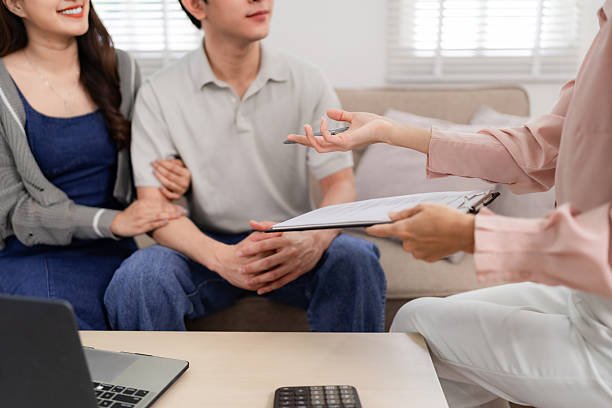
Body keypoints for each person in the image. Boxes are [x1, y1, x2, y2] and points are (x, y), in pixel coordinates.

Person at [287, 2, 612, 406]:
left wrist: (471, 234)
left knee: (423, 336)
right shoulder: (605, 30)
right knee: (416, 323)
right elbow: (536, 147)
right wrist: (391, 132)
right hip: (584, 292)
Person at [103, 0, 386, 332]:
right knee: (140, 278)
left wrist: (313, 239)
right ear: (196, 6)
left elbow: (340, 183)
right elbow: (155, 208)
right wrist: (222, 259)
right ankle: (158, 384)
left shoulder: (308, 80)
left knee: (356, 260)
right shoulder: (159, 92)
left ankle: (351, 384)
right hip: (205, 247)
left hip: (290, 241)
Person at [0, 0, 191, 330]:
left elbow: (141, 162)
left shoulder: (121, 69)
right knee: (71, 355)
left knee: (149, 301)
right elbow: (12, 210)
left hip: (115, 249)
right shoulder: (4, 87)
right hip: (35, 258)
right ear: (16, 5)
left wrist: (173, 175)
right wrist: (112, 221)